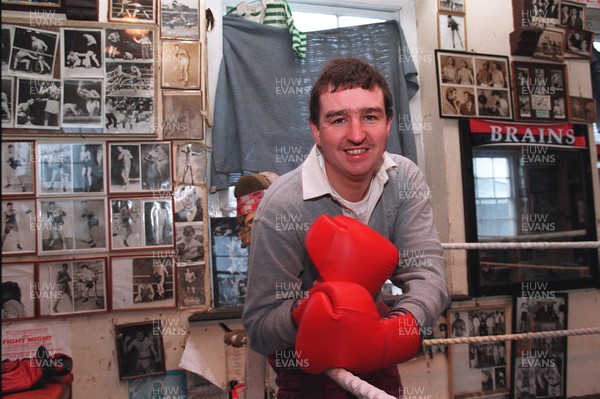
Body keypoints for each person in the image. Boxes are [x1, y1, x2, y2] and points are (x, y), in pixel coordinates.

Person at [242, 57, 449, 397]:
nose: (356, 135)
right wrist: (305, 311)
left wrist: (400, 328)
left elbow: (427, 272)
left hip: (374, 348)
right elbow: (260, 328)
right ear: (316, 131)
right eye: (338, 119)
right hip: (302, 364)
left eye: (370, 116)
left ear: (388, 124)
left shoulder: (403, 179)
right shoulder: (283, 206)